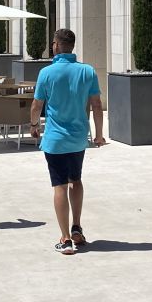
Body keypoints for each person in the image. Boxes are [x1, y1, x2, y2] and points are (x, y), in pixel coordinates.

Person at [30, 28, 105, 255]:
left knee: (59, 185)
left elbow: (36, 106)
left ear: (55, 45)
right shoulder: (87, 71)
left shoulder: (46, 73)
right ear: (72, 46)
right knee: (76, 180)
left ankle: (65, 239)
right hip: (78, 138)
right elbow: (96, 105)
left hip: (54, 140)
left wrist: (34, 126)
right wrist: (99, 134)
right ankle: (76, 227)